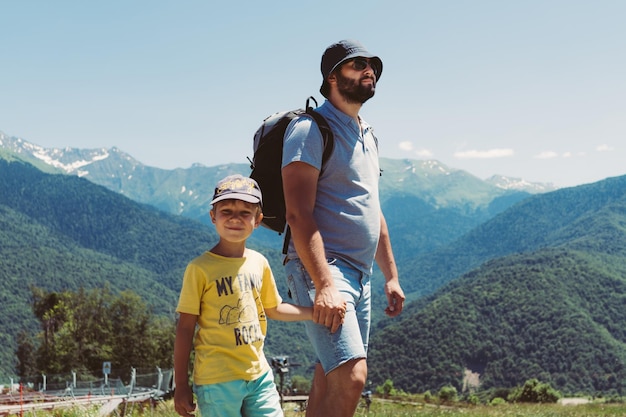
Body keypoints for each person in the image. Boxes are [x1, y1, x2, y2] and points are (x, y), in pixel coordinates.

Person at [281, 39, 406, 417]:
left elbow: (372, 208)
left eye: (372, 65)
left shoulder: (368, 133)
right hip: (325, 268)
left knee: (329, 371)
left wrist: (391, 276)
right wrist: (324, 285)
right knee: (352, 376)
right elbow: (298, 214)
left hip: (360, 274)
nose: (369, 70)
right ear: (332, 78)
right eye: (358, 65)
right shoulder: (310, 129)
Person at [174, 174, 322, 417]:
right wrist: (181, 385)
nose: (235, 218)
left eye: (245, 212)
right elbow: (185, 328)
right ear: (213, 216)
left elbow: (273, 308)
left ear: (258, 220)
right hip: (216, 380)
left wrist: (313, 313)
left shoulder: (259, 262)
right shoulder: (199, 269)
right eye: (227, 210)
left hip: (259, 375)